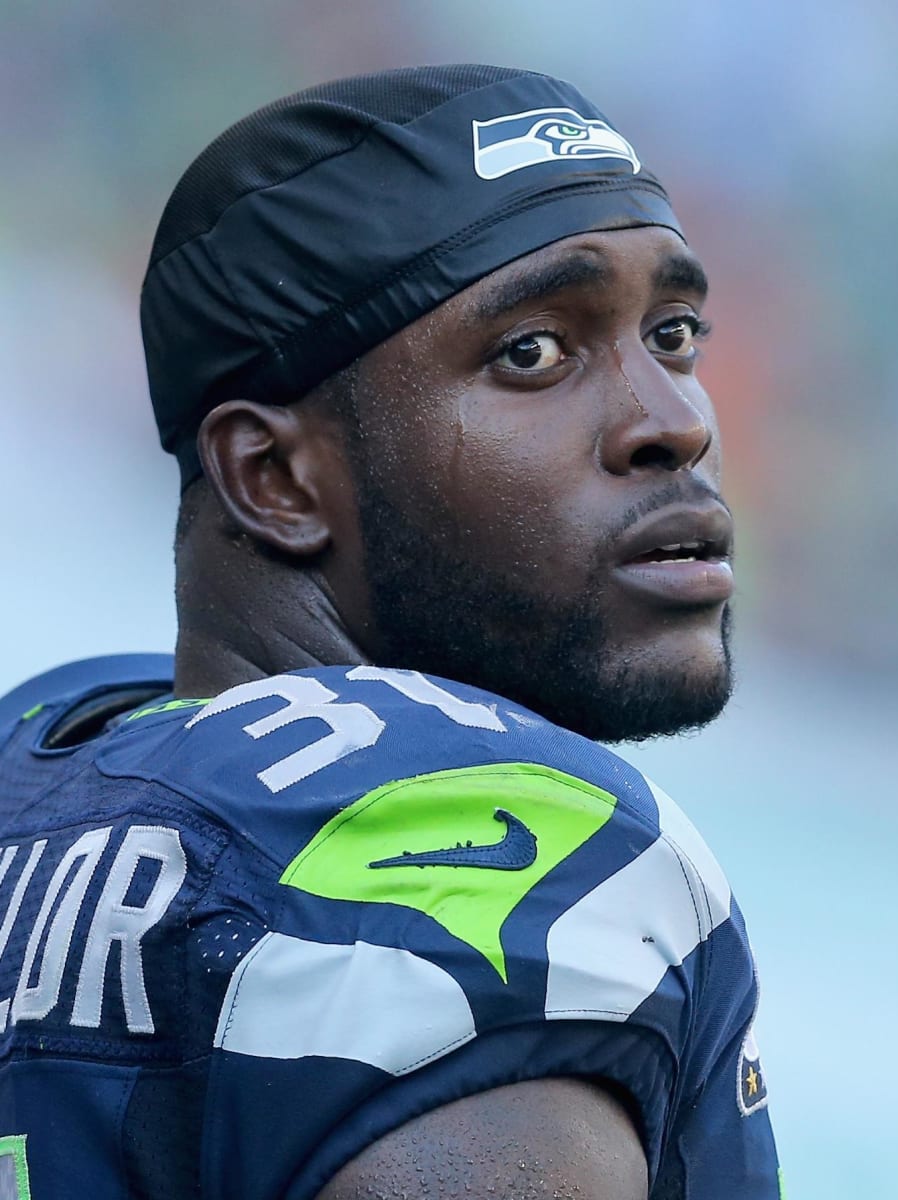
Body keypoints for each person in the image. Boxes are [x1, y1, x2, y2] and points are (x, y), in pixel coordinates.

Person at [0, 66, 781, 1198]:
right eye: (533, 352)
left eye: (673, 334)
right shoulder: (485, 847)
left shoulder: (44, 753)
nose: (676, 423)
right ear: (275, 477)